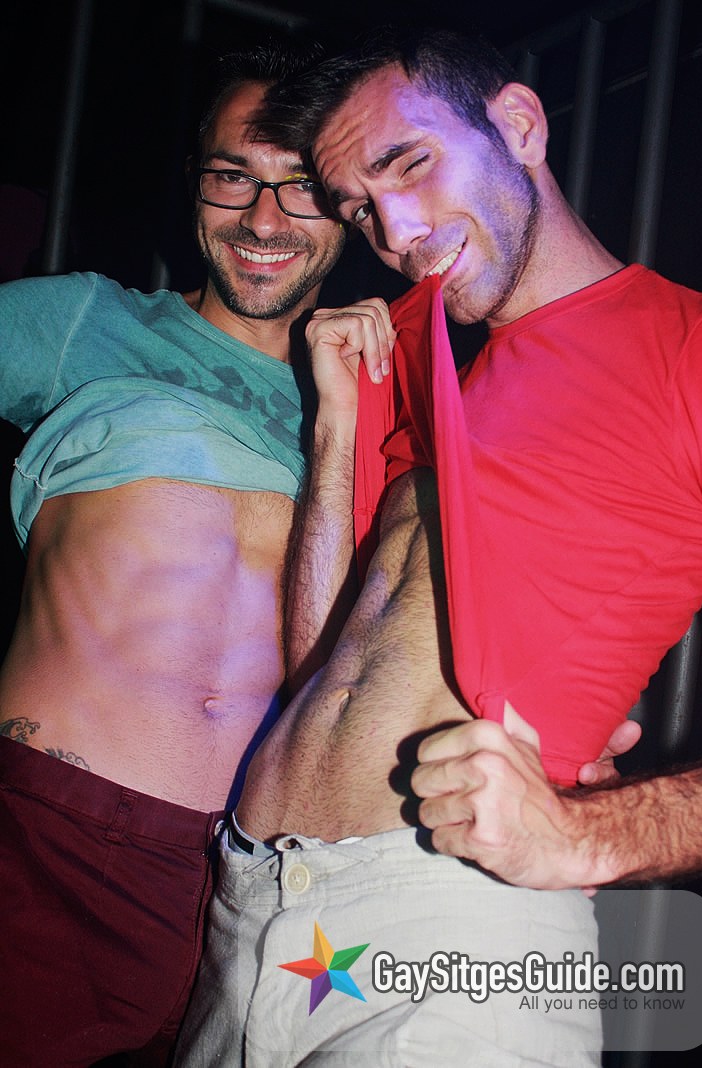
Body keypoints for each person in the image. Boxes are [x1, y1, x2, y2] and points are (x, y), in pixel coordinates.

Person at [171, 25, 702, 1068]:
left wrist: (594, 834)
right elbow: (320, 667)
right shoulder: (434, 390)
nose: (398, 232)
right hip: (255, 913)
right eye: (361, 209)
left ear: (519, 125)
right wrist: (338, 426)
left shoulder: (691, 349)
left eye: (409, 164)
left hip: (449, 927)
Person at [0, 38, 349, 1067]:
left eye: (303, 187)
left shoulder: (370, 404)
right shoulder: (86, 323)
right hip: (56, 837)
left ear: (351, 209)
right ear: (194, 182)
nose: (265, 219)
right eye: (233, 176)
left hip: (268, 883)